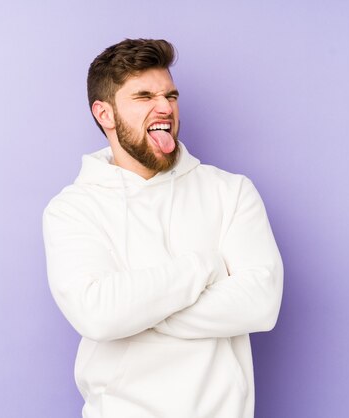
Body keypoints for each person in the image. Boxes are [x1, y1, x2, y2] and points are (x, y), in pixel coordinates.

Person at [42, 38, 283, 418]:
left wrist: (138, 313)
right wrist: (203, 267)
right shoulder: (72, 210)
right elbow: (98, 315)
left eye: (170, 96)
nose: (164, 107)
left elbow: (261, 305)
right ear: (105, 114)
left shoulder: (230, 191)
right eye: (143, 96)